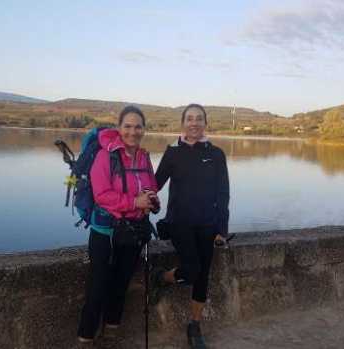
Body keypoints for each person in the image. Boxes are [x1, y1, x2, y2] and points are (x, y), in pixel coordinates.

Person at [77, 106, 160, 346]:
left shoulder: (144, 157)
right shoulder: (106, 155)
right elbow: (102, 194)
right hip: (106, 232)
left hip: (133, 231)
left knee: (121, 283)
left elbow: (151, 187)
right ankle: (86, 338)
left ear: (143, 129)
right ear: (119, 128)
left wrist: (152, 201)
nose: (132, 131)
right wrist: (135, 201)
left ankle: (111, 332)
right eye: (127, 126)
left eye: (138, 126)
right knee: (97, 286)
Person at [153, 103, 230, 348]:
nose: (194, 123)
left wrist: (222, 229)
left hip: (208, 224)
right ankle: (162, 277)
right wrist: (138, 198)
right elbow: (154, 184)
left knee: (203, 276)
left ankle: (195, 325)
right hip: (179, 222)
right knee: (192, 269)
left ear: (205, 123)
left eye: (199, 119)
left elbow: (223, 193)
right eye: (189, 118)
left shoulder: (216, 154)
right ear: (183, 123)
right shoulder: (172, 152)